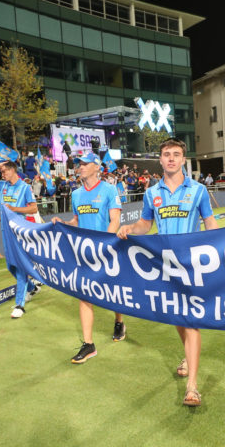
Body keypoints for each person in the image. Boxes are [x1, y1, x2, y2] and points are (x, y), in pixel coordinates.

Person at [117, 138, 218, 408]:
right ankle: (188, 355)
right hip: (164, 266)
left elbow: (210, 223)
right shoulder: (151, 192)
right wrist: (129, 228)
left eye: (176, 154)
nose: (171, 158)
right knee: (178, 318)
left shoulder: (197, 190)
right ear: (160, 160)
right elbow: (145, 224)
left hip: (192, 265)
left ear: (183, 159)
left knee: (192, 319)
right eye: (166, 154)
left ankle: (192, 386)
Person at [51, 152, 125, 364]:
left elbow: (115, 220)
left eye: (84, 163)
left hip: (106, 250)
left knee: (114, 293)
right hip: (84, 253)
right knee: (84, 295)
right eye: (78, 164)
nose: (80, 167)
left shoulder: (110, 189)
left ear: (96, 167)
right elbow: (76, 220)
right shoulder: (76, 194)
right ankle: (88, 344)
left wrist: (104, 245)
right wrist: (63, 224)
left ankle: (119, 322)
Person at [0, 160, 39, 318]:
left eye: (3, 171)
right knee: (10, 266)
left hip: (19, 232)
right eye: (0, 172)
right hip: (5, 230)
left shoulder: (24, 187)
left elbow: (33, 208)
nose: (1, 174)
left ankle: (20, 305)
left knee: (20, 267)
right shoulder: (2, 185)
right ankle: (31, 287)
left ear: (12, 170)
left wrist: (14, 209)